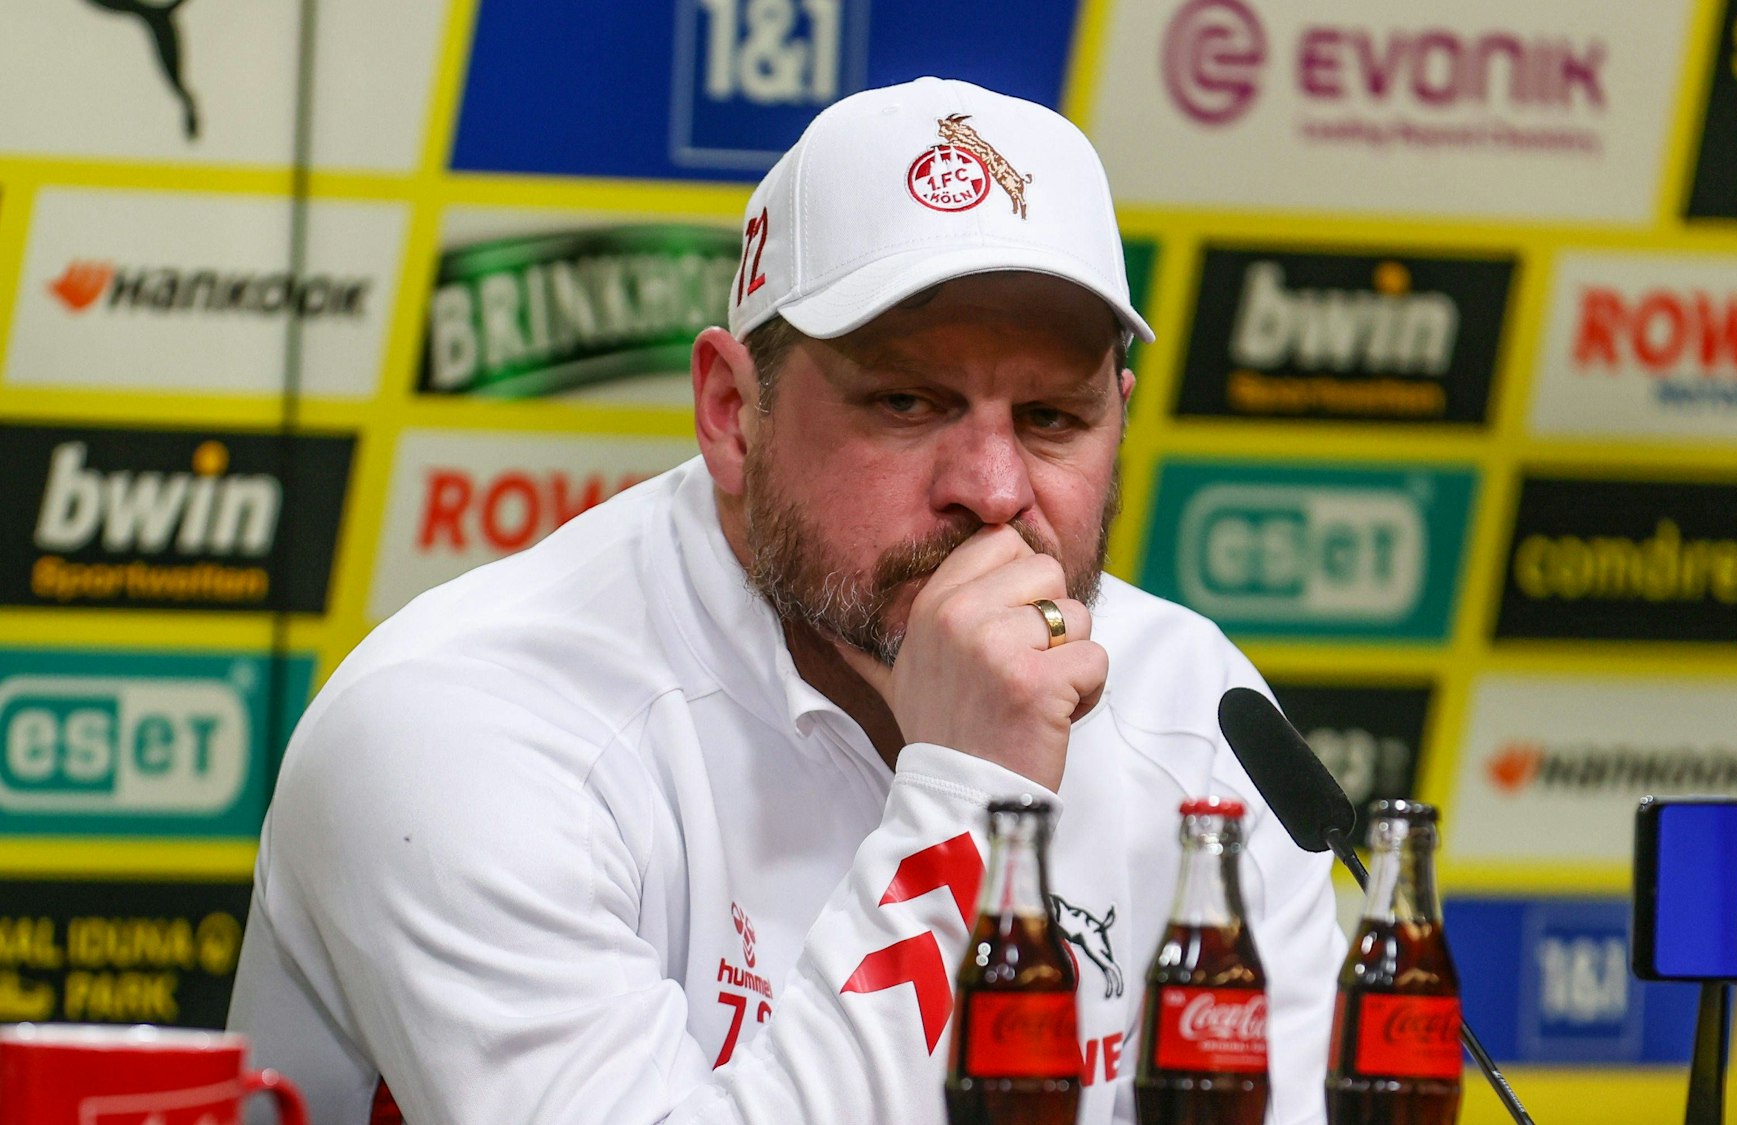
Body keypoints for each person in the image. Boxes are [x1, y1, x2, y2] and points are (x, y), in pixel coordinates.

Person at [227, 77, 1338, 1124]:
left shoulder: (1196, 713)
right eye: (907, 403)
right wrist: (971, 793)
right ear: (730, 412)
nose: (995, 490)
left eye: (1053, 419)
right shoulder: (462, 727)